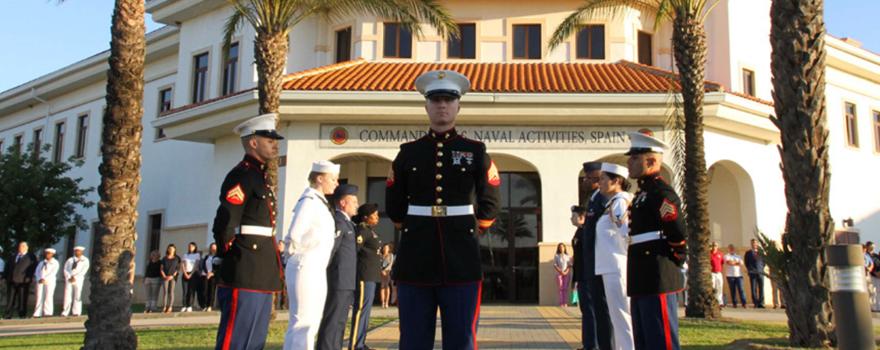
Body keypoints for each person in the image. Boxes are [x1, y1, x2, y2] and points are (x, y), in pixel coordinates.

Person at [386, 69, 500, 350]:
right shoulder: (408, 153)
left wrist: (474, 229)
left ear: (458, 105)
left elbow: (491, 198)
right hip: (415, 257)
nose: (442, 105)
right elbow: (395, 203)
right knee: (413, 338)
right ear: (426, 105)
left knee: (461, 338)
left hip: (461, 258)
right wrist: (408, 225)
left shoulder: (474, 151)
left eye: (448, 100)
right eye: (436, 100)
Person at [212, 113, 285, 350]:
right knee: (237, 338)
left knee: (254, 340)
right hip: (244, 264)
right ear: (253, 142)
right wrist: (229, 254)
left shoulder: (258, 176)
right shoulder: (242, 175)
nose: (275, 145)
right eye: (269, 140)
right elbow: (225, 222)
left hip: (260, 268)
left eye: (275, 140)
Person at [625, 131, 687, 350]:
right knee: (643, 338)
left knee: (660, 339)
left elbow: (677, 230)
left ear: (651, 161)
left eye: (634, 158)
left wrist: (677, 256)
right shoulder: (643, 194)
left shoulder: (661, 192)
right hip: (642, 273)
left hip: (657, 272)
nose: (629, 162)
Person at [282, 160, 340, 350]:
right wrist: (295, 259)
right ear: (320, 178)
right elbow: (293, 235)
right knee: (302, 323)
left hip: (315, 266)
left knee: (311, 322)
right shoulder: (309, 201)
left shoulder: (320, 202)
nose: (336, 183)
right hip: (305, 265)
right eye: (333, 179)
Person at [595, 163, 635, 350]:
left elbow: (626, 231)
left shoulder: (620, 201)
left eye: (603, 179)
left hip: (617, 266)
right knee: (617, 317)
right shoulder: (612, 203)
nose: (599, 182)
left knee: (623, 316)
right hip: (609, 266)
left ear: (616, 181)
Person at [316, 184, 360, 350]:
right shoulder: (338, 222)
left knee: (340, 321)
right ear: (343, 203)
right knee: (333, 321)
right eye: (353, 201)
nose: (357, 204)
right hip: (338, 280)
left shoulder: (348, 223)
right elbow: (331, 250)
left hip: (346, 281)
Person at [576, 161, 613, 350]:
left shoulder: (603, 200)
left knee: (597, 310)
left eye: (588, 177)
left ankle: (595, 345)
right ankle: (591, 344)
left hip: (598, 264)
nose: (584, 180)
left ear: (598, 180)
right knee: (591, 310)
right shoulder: (592, 198)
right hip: (588, 263)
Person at [350, 203, 383, 350]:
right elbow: (354, 251)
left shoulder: (370, 231)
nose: (377, 217)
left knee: (366, 310)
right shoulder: (362, 230)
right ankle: (355, 345)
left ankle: (361, 343)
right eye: (374, 215)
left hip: (371, 276)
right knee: (361, 310)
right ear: (365, 217)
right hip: (364, 275)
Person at [5, 241, 36, 319]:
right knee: (10, 298)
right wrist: (6, 277)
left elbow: (32, 268)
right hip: (12, 280)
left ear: (26, 247)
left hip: (23, 281)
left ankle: (22, 314)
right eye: (20, 246)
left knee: (22, 298)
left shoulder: (30, 257)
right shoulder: (13, 256)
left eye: (22, 246)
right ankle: (8, 314)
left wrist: (28, 278)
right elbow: (8, 266)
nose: (20, 248)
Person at [61, 246, 90, 317]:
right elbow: (65, 269)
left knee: (77, 295)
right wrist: (69, 276)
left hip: (78, 279)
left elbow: (84, 270)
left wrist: (75, 277)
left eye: (79, 251)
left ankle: (76, 311)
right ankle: (65, 311)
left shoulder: (85, 260)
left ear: (82, 252)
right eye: (76, 251)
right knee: (67, 295)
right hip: (69, 279)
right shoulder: (70, 260)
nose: (77, 252)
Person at [33, 248, 59, 318]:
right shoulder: (42, 262)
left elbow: (53, 272)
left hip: (49, 281)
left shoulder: (55, 263)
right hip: (40, 281)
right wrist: (39, 278)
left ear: (52, 254)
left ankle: (48, 312)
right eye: (46, 253)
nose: (47, 254)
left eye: (49, 253)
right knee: (39, 296)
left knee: (48, 296)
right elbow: (37, 271)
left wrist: (45, 279)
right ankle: (37, 313)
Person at [569, 205, 587, 308]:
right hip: (579, 272)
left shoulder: (586, 231)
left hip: (585, 273)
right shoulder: (579, 231)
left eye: (574, 216)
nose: (571, 218)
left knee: (588, 306)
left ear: (582, 217)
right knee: (584, 306)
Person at [744, 239, 765, 308]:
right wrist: (750, 269)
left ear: (757, 244)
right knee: (753, 288)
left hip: (760, 272)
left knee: (761, 288)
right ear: (751, 244)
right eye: (753, 243)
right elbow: (746, 262)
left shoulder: (761, 252)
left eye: (755, 243)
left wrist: (761, 268)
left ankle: (761, 303)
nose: (754, 244)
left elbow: (764, 262)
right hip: (752, 272)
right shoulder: (748, 253)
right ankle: (755, 302)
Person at [181, 242, 202, 312]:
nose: (190, 248)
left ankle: (189, 305)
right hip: (185, 273)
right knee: (185, 290)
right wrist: (185, 273)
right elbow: (183, 265)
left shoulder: (197, 255)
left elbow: (196, 265)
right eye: (189, 246)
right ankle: (184, 305)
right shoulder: (185, 255)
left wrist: (191, 274)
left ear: (195, 247)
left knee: (191, 290)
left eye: (192, 246)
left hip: (193, 274)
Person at [724, 244, 746, 308]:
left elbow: (741, 263)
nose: (731, 249)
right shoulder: (726, 256)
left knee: (741, 289)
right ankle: (734, 303)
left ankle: (744, 303)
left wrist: (734, 262)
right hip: (730, 275)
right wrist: (736, 262)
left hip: (739, 275)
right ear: (728, 249)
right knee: (732, 290)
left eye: (732, 248)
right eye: (730, 248)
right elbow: (729, 262)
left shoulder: (738, 256)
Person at [160, 244, 180, 313]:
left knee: (171, 292)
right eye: (169, 249)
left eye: (172, 249)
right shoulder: (164, 258)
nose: (171, 250)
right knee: (165, 292)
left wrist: (172, 276)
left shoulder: (176, 259)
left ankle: (170, 306)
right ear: (168, 249)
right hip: (165, 277)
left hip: (172, 277)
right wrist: (164, 276)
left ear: (174, 250)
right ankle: (164, 306)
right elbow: (161, 268)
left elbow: (177, 269)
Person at [554, 243, 572, 307]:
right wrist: (560, 271)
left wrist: (566, 271)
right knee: (560, 288)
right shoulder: (556, 256)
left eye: (562, 247)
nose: (561, 248)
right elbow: (555, 265)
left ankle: (565, 302)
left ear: (564, 248)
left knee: (565, 288)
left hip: (567, 273)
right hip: (559, 274)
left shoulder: (568, 256)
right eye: (560, 247)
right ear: (558, 248)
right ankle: (561, 303)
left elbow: (570, 265)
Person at [201, 243, 219, 312]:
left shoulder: (217, 257)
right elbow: (203, 265)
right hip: (206, 275)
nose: (213, 249)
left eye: (214, 248)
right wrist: (207, 272)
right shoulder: (206, 257)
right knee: (205, 290)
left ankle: (210, 305)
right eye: (212, 248)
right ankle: (205, 305)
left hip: (213, 276)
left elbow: (218, 267)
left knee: (211, 291)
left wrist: (212, 273)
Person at [709, 242, 725, 307]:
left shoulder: (720, 254)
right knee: (713, 287)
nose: (714, 247)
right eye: (713, 245)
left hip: (719, 273)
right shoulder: (709, 254)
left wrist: (720, 270)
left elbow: (722, 263)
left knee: (720, 287)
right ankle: (712, 301)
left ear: (717, 247)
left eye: (715, 246)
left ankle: (720, 302)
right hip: (712, 273)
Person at [379, 244, 394, 309]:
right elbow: (378, 264)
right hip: (381, 273)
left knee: (387, 286)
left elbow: (391, 264)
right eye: (384, 248)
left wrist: (385, 270)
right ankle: (382, 302)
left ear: (389, 249)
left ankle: (387, 302)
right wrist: (381, 270)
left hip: (388, 272)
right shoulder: (381, 256)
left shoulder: (391, 255)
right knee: (382, 287)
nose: (385, 249)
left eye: (387, 248)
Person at [276, 240, 288, 310]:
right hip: (277, 275)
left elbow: (285, 264)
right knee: (276, 292)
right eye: (278, 244)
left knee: (284, 292)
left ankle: (283, 305)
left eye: (280, 244)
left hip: (283, 275)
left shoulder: (285, 255)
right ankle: (276, 306)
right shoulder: (276, 254)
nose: (279, 246)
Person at [869, 242, 880, 312]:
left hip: (878, 277)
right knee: (873, 292)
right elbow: (871, 267)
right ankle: (873, 307)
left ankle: (877, 307)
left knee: (877, 293)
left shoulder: (877, 257)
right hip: (873, 276)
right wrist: (875, 273)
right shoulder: (872, 257)